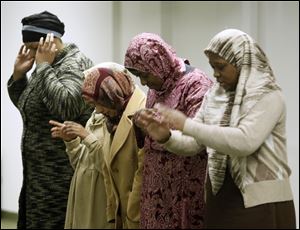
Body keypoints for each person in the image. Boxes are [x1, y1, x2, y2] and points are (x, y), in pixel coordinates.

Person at [137, 29, 296, 229]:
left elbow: (244, 142)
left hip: (261, 202)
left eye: (221, 67)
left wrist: (186, 124)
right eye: (213, 67)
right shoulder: (215, 97)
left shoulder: (268, 96)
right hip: (220, 197)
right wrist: (167, 137)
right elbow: (195, 143)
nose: (216, 74)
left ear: (242, 63)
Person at [7, 11, 94, 229]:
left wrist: (44, 67)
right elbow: (29, 108)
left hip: (61, 176)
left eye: (35, 47)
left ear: (51, 39)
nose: (33, 54)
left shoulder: (74, 64)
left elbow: (67, 107)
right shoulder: (47, 64)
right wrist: (19, 76)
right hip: (39, 175)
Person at [124, 32, 213, 229]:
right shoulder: (157, 87)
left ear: (159, 62)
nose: (144, 83)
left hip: (185, 189)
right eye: (139, 76)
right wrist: (142, 123)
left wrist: (166, 132)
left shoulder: (197, 84)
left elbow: (199, 137)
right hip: (156, 191)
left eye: (145, 75)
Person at [51, 62, 146, 229]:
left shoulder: (125, 117)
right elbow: (81, 164)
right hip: (83, 196)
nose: (97, 110)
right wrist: (71, 141)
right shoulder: (101, 117)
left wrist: (87, 137)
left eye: (97, 103)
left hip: (101, 199)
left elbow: (109, 167)